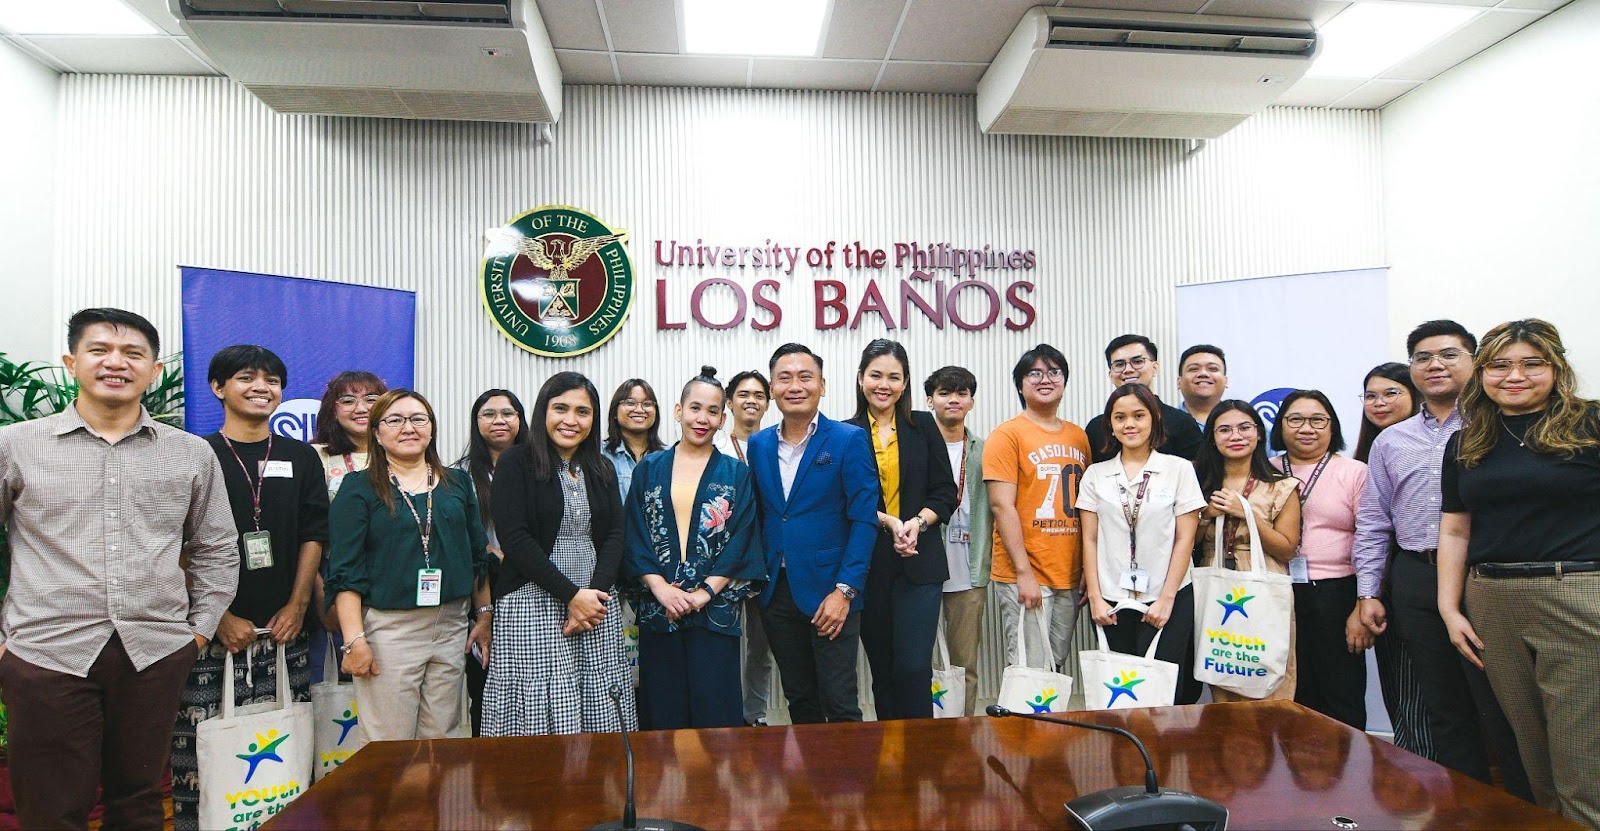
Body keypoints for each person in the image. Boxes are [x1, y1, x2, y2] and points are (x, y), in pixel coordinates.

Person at [0, 308, 237, 830]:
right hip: (46, 651)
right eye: (99, 350)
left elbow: (217, 548)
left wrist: (195, 634)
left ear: (153, 370)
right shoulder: (15, 445)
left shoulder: (190, 454)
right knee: (51, 808)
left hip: (153, 650)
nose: (116, 363)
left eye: (133, 354)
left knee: (139, 803)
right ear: (71, 361)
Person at [1351, 320, 1529, 799]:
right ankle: (1466, 808)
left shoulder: (1502, 427)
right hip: (1416, 577)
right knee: (1443, 705)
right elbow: (1373, 523)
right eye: (1423, 357)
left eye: (1449, 355)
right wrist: (1368, 591)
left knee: (1507, 706)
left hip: (1487, 577)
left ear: (1474, 362)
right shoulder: (1392, 440)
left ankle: (1523, 810)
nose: (1435, 365)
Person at [1438, 319, 1600, 825]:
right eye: (1500, 365)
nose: (1515, 376)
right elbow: (1455, 531)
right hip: (1491, 601)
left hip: (1576, 591)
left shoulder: (1589, 423)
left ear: (1556, 368)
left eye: (1532, 364)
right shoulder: (1468, 441)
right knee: (1528, 748)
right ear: (1482, 372)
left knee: (1581, 749)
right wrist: (1449, 607)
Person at [172, 345, 330, 831]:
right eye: (247, 377)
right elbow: (174, 542)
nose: (262, 387)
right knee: (204, 753)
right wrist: (216, 616)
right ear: (219, 388)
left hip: (285, 629)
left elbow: (313, 533)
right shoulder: (196, 453)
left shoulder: (300, 456)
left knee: (285, 743)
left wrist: (299, 604)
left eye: (273, 380)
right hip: (209, 632)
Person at [325, 390, 494, 741]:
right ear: (376, 431)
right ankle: (393, 800)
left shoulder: (457, 482)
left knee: (445, 739)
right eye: (395, 420)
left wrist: (485, 616)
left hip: (451, 625)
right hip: (389, 631)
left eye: (419, 419)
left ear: (431, 428)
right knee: (391, 743)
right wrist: (355, 640)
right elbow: (345, 573)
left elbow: (478, 554)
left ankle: (435, 800)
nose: (408, 427)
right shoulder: (358, 488)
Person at [486, 372, 636, 735]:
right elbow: (515, 539)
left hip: (596, 604)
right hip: (532, 597)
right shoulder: (516, 462)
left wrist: (594, 597)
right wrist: (571, 595)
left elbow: (616, 532)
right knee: (541, 705)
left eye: (583, 412)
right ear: (543, 412)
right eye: (561, 408)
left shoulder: (601, 468)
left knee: (597, 698)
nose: (571, 420)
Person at [622, 366, 767, 729]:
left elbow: (743, 537)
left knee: (715, 715)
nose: (702, 419)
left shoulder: (736, 473)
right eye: (695, 408)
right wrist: (661, 590)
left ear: (723, 417)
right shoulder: (649, 469)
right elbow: (634, 533)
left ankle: (716, 788)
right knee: (663, 712)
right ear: (678, 411)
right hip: (661, 609)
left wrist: (704, 593)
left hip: (714, 610)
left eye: (713, 411)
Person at [748, 343, 879, 724]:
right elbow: (762, 515)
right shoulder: (759, 444)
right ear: (772, 388)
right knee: (800, 700)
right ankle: (809, 784)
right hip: (777, 591)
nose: (795, 386)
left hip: (831, 591)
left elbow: (864, 519)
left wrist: (845, 590)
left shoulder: (847, 439)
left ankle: (849, 786)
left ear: (823, 385)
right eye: (784, 378)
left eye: (805, 377)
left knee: (839, 703)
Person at [846, 340, 957, 721]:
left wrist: (917, 522)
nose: (884, 384)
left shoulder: (923, 425)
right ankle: (889, 759)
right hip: (869, 566)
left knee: (913, 669)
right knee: (883, 673)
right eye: (875, 375)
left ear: (905, 382)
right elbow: (845, 500)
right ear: (861, 379)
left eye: (894, 377)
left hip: (919, 563)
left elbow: (945, 491)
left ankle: (919, 760)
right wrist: (888, 521)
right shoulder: (845, 433)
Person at [1076, 384, 1204, 704]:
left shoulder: (1179, 469)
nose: (1129, 424)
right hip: (1111, 597)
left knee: (1162, 693)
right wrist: (1095, 597)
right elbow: (1089, 538)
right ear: (1111, 426)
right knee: (1119, 694)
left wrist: (1166, 600)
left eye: (1138, 415)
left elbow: (1185, 538)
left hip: (1168, 595)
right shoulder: (1095, 474)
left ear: (1154, 419)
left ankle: (1159, 754)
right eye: (1120, 417)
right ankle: (1126, 754)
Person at [983, 343, 1091, 675]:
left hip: (1068, 572)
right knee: (1028, 670)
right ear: (1020, 384)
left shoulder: (1079, 436)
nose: (1045, 379)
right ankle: (1023, 729)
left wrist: (1088, 567)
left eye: (1054, 372)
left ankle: (1048, 728)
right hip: (1027, 573)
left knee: (1054, 665)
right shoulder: (1007, 435)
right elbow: (1002, 507)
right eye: (1035, 373)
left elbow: (1087, 507)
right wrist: (1023, 573)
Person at [1347, 362, 1437, 760]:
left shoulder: (1446, 440)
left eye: (1391, 393)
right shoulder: (1370, 451)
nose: (1379, 403)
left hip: (1430, 575)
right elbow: (1370, 530)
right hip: (1389, 588)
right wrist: (1366, 595)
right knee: (1404, 693)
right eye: (1371, 395)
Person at [1267, 390, 1367, 728]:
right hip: (1278, 592)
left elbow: (1371, 540)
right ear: (1280, 427)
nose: (1306, 428)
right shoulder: (1266, 471)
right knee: (1293, 690)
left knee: (1341, 690)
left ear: (1332, 427)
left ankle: (1351, 775)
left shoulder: (1354, 472)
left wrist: (1363, 602)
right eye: (1295, 420)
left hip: (1336, 593)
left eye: (1317, 420)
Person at [1193, 400, 1302, 702]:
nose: (1235, 436)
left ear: (1258, 434)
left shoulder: (1281, 486)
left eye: (1244, 428)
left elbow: (1287, 548)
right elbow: (1187, 542)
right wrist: (1205, 516)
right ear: (1212, 438)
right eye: (1224, 429)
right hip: (1215, 580)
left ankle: (1268, 747)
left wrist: (1247, 514)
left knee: (1268, 670)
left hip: (1263, 579)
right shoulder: (1198, 483)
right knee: (1223, 667)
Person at [452, 388, 528, 736]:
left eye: (508, 413)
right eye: (489, 414)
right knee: (484, 682)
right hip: (483, 588)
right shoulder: (459, 475)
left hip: (532, 584)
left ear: (521, 420)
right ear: (476, 422)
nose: (499, 420)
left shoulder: (540, 467)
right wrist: (492, 554)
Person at [308, 370, 389, 679]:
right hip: (333, 573)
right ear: (333, 408)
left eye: (371, 399)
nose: (361, 408)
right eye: (348, 400)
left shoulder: (405, 453)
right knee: (338, 672)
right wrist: (318, 591)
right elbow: (306, 531)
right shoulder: (314, 457)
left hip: (393, 576)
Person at [924, 365, 991, 716]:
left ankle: (963, 727)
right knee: (922, 659)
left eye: (961, 393)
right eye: (945, 393)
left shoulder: (984, 449)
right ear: (929, 400)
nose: (953, 400)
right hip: (923, 563)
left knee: (965, 662)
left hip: (969, 565)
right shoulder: (917, 444)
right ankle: (928, 725)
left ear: (972, 401)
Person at [715, 369, 776, 727]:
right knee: (723, 641)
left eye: (758, 395)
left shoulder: (775, 445)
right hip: (724, 560)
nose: (751, 400)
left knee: (760, 648)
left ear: (768, 404)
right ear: (729, 401)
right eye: (742, 394)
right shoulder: (716, 447)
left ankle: (755, 716)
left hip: (766, 559)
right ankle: (724, 714)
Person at [1083, 335, 1204, 463]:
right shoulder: (1097, 428)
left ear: (1155, 367)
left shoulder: (1182, 423)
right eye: (1119, 364)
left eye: (1137, 362)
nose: (1128, 370)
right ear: (1110, 374)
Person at [604, 378, 667, 501]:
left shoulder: (668, 456)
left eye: (647, 404)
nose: (639, 410)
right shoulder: (600, 454)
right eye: (630, 403)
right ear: (615, 412)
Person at [1177, 345, 1229, 430]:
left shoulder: (1241, 422)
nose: (1203, 374)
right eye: (1193, 369)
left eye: (1212, 369)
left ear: (1225, 381)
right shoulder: (1162, 422)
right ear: (1179, 382)